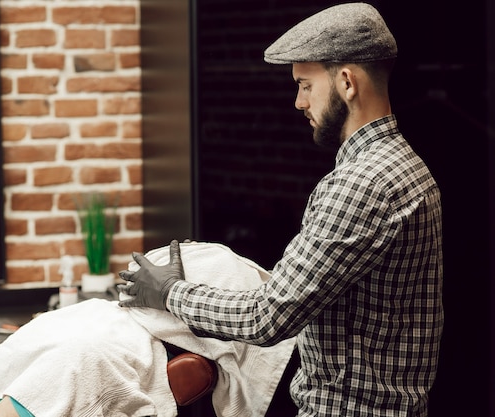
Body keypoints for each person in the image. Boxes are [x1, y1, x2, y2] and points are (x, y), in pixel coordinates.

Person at [119, 3, 444, 417]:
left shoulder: (362, 183)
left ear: (346, 82)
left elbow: (268, 316)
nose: (298, 102)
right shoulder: (405, 165)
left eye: (305, 85)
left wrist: (168, 292)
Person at [0, 242, 296, 417]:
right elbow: (22, 385)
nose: (147, 268)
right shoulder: (103, 320)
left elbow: (49, 382)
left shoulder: (94, 356)